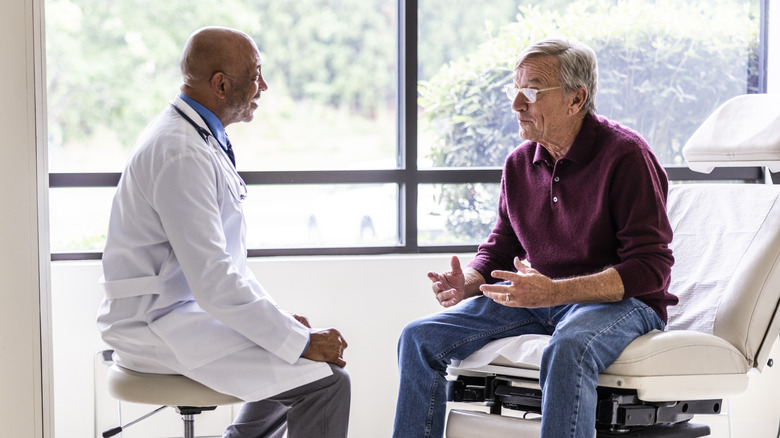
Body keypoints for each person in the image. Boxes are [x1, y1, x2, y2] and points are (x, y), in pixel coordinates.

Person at [393, 38, 676, 438]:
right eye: (515, 90)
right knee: (418, 338)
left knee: (569, 347)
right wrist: (468, 282)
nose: (516, 105)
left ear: (576, 100)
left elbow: (651, 269)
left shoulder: (627, 156)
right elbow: (502, 246)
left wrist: (553, 292)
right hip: (540, 301)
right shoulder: (520, 163)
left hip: (625, 304)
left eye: (531, 92)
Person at [97, 26, 350, 438]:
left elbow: (226, 265)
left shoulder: (197, 137)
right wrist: (296, 339)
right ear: (220, 84)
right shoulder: (180, 152)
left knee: (290, 355)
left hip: (178, 311)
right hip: (152, 324)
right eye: (255, 74)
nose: (263, 86)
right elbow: (215, 280)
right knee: (326, 383)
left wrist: (281, 324)